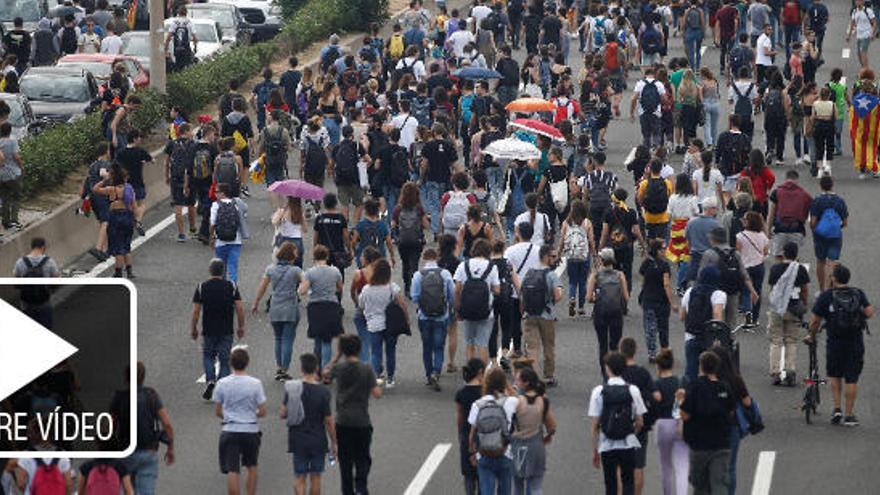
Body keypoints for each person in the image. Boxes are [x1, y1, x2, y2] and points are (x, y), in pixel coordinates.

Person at [807, 264, 873, 427]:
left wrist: (811, 334)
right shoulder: (858, 293)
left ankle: (837, 408)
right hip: (855, 341)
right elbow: (869, 312)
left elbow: (815, 320)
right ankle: (849, 415)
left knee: (835, 375)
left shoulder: (826, 296)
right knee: (852, 378)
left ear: (834, 278)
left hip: (835, 341)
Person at [328, 334, 383, 495]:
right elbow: (377, 393)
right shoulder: (366, 369)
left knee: (345, 461)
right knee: (363, 457)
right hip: (362, 421)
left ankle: (347, 491)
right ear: (359, 349)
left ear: (342, 351)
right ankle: (361, 487)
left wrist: (335, 357)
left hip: (342, 421)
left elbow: (325, 375)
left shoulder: (338, 369)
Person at [588, 351, 647, 495]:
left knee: (611, 484)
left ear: (607, 368)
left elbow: (595, 425)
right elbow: (640, 421)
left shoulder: (599, 391)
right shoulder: (633, 390)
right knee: (628, 482)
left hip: (607, 444)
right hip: (627, 442)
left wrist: (595, 450)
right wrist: (632, 431)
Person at [679, 351, 736, 495]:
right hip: (721, 443)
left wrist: (680, 402)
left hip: (699, 445)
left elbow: (685, 415)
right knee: (719, 483)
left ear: (701, 367)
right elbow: (731, 412)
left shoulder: (694, 387)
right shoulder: (725, 387)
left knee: (699, 484)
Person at [212, 348, 266, 495]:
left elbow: (218, 411)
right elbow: (262, 411)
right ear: (247, 363)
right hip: (250, 430)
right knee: (251, 465)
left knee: (232, 468)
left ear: (230, 363)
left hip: (230, 430)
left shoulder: (222, 383)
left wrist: (230, 416)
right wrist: (251, 413)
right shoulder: (255, 384)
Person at [280, 353, 337, 495]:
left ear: (301, 368)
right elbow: (328, 420)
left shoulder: (292, 388)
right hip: (318, 439)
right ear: (316, 367)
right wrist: (334, 442)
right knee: (316, 476)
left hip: (298, 439)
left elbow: (283, 413)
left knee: (299, 476)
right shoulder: (323, 392)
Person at [192, 258, 245, 400]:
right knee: (224, 358)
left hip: (209, 329)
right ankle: (223, 386)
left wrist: (194, 328)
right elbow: (239, 308)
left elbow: (196, 311)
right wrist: (241, 326)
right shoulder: (231, 286)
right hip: (226, 329)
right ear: (223, 271)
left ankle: (210, 380)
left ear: (210, 271)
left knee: (208, 356)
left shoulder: (202, 287)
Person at [251, 242, 303, 382]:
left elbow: (262, 287)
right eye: (295, 252)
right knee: (287, 340)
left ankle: (279, 367)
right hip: (290, 307)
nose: (297, 255)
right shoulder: (295, 271)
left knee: (278, 339)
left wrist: (256, 303)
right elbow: (305, 283)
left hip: (275, 307)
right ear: (291, 254)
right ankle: (284, 370)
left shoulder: (270, 269)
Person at [765, 241, 810, 385]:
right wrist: (804, 304)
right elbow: (804, 290)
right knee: (791, 340)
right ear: (796, 254)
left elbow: (772, 289)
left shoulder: (775, 269)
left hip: (777, 308)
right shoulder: (801, 269)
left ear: (783, 253)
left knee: (776, 340)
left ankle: (775, 372)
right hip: (794, 307)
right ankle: (790, 369)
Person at [468, 367, 518, 495]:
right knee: (505, 491)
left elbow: (472, 432)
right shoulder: (511, 402)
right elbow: (520, 400)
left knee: (486, 491)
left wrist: (472, 451)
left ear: (486, 383)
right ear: (503, 383)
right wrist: (507, 385)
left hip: (484, 454)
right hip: (505, 453)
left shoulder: (478, 404)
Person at [358, 258, 407, 387]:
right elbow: (402, 304)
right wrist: (406, 318)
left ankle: (375, 377)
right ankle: (390, 379)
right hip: (391, 324)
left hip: (374, 324)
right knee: (390, 351)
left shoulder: (367, 289)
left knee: (375, 352)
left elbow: (361, 305)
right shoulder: (392, 287)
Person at [411, 248, 455, 391]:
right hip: (441, 316)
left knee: (427, 347)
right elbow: (452, 295)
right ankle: (436, 371)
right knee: (439, 346)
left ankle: (429, 375)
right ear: (437, 257)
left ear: (424, 258)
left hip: (424, 316)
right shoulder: (445, 273)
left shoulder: (418, 275)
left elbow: (414, 296)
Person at [521, 244, 563, 387]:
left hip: (529, 314)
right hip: (546, 315)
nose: (555, 259)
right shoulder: (551, 275)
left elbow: (522, 295)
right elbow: (558, 296)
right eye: (552, 256)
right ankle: (548, 376)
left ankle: (532, 377)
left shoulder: (529, 273)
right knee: (548, 346)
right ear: (545, 257)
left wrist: (524, 311)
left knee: (532, 347)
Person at [454, 239, 501, 364]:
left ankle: (471, 375)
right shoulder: (492, 267)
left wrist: (457, 309)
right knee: (483, 344)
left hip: (467, 308)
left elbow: (457, 290)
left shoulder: (463, 265)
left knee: (469, 343)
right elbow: (497, 290)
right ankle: (482, 376)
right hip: (485, 310)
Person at [511, 367, 557, 494]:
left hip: (518, 446)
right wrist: (547, 437)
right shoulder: (543, 401)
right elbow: (552, 426)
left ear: (526, 383)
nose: (516, 384)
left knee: (518, 484)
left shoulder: (517, 402)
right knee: (536, 485)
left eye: (518, 381)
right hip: (537, 445)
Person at [299, 245, 344, 370]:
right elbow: (340, 288)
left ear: (314, 257)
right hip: (331, 305)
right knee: (327, 340)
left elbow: (303, 291)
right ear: (327, 256)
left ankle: (316, 369)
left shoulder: (310, 272)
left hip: (315, 306)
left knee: (317, 339)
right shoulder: (335, 271)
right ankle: (326, 370)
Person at [588, 248, 630, 378]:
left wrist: (597, 297)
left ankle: (605, 372)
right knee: (614, 344)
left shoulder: (595, 275)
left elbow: (589, 298)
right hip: (616, 312)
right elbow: (626, 297)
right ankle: (615, 370)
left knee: (603, 344)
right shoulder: (620, 275)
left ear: (601, 260)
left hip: (600, 312)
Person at [680, 266, 727, 380]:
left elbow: (682, 316)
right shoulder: (719, 294)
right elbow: (717, 315)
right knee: (711, 373)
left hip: (691, 336)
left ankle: (689, 394)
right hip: (709, 339)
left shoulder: (690, 291)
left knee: (690, 371)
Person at [91, 161, 136, 278]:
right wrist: (135, 220)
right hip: (128, 216)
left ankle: (118, 272)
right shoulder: (129, 188)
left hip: (116, 218)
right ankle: (130, 271)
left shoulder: (111, 189)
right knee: (126, 246)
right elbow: (134, 206)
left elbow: (95, 189)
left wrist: (105, 180)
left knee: (117, 247)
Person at [653, 349, 689, 495]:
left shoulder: (656, 384)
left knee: (666, 466)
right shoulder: (682, 382)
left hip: (662, 424)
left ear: (658, 366)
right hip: (680, 424)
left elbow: (654, 405)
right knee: (682, 466)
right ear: (673, 364)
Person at [640, 239, 678, 362]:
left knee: (650, 328)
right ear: (657, 251)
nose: (665, 251)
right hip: (662, 301)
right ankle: (664, 350)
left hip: (648, 300)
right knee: (663, 327)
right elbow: (666, 285)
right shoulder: (664, 265)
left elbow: (643, 279)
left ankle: (652, 353)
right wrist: (672, 303)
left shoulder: (646, 263)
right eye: (663, 249)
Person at [600, 188, 645, 291]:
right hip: (627, 247)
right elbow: (637, 231)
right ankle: (626, 296)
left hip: (612, 247)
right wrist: (643, 246)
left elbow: (604, 233)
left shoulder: (608, 213)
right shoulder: (631, 212)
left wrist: (600, 248)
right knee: (627, 274)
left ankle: (615, 295)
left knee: (613, 272)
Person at [559, 200, 596, 317]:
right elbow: (591, 241)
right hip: (584, 256)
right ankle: (580, 307)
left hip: (571, 256)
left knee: (572, 281)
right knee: (583, 281)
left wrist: (559, 253)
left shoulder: (566, 223)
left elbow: (561, 241)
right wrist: (594, 254)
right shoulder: (587, 223)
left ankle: (571, 298)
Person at [12, 237, 60, 329]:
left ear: (32, 247)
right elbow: (56, 281)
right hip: (43, 301)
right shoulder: (49, 262)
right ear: (43, 247)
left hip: (26, 303)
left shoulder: (20, 262)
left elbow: (16, 283)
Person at [810, 176, 847, 292]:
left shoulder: (817, 201)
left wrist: (817, 230)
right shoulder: (840, 201)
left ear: (820, 186)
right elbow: (845, 222)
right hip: (835, 236)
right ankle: (829, 289)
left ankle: (822, 289)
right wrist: (836, 227)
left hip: (820, 236)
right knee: (832, 263)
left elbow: (813, 222)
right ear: (832, 185)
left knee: (820, 261)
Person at [455, 358, 485, 495]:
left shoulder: (461, 394)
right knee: (483, 474)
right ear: (480, 373)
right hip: (485, 436)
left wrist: (460, 433)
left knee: (468, 474)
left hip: (467, 435)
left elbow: (460, 417)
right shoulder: (485, 393)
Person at [767, 169, 811, 258]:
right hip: (797, 229)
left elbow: (771, 213)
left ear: (785, 179)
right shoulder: (804, 194)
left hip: (780, 229)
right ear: (797, 180)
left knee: (778, 255)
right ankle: (793, 271)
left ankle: (781, 270)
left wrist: (768, 230)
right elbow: (807, 214)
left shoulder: (777, 192)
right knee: (794, 257)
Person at [164, 122, 197, 243]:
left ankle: (181, 233)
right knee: (191, 204)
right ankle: (193, 229)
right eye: (190, 130)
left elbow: (167, 162)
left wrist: (166, 175)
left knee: (178, 205)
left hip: (175, 177)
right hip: (190, 177)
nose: (192, 133)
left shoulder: (172, 143)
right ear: (186, 131)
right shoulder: (193, 144)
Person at [735, 211, 769, 326]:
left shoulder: (740, 236)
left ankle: (747, 312)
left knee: (746, 291)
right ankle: (755, 318)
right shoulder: (763, 236)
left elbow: (737, 253)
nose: (743, 221)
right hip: (759, 266)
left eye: (745, 219)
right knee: (757, 291)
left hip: (745, 267)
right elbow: (765, 252)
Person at [210, 183, 249, 283]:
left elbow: (212, 223)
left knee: (220, 268)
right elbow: (245, 211)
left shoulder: (216, 205)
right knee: (233, 267)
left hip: (220, 241)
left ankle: (221, 288)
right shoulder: (237, 203)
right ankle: (233, 289)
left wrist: (211, 237)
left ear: (223, 193)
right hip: (235, 241)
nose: (215, 194)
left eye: (216, 192)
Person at [685, 197, 721, 283]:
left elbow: (688, 241)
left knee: (694, 286)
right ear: (710, 209)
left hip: (695, 257)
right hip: (711, 259)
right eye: (715, 208)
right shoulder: (716, 225)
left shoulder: (691, 222)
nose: (717, 210)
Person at [631, 66, 666, 149]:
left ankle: (646, 152)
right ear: (654, 74)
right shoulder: (659, 84)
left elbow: (633, 99)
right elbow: (664, 99)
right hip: (656, 112)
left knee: (646, 134)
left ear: (645, 75)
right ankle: (656, 150)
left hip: (643, 112)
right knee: (656, 133)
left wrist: (631, 112)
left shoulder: (640, 83)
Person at [637, 161, 673, 241]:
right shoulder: (667, 183)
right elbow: (670, 197)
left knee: (651, 238)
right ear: (661, 169)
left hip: (649, 216)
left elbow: (639, 199)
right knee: (661, 239)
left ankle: (651, 251)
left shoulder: (644, 183)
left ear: (650, 169)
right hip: (663, 216)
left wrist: (644, 206)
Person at [0, 121, 22, 230]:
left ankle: (5, 221)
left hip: (1, 175)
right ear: (10, 130)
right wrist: (22, 167)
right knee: (16, 197)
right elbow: (16, 157)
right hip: (13, 174)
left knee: (5, 198)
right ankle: (14, 220)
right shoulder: (12, 142)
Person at [165, 6, 197, 71]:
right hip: (186, 48)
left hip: (177, 48)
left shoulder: (174, 23)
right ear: (186, 13)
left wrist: (166, 48)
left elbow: (169, 36)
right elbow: (194, 37)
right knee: (186, 66)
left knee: (178, 65)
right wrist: (195, 47)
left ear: (178, 13)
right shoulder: (189, 23)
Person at [847, 0, 877, 69]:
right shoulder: (854, 11)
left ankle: (866, 70)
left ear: (863, 2)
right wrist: (849, 35)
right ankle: (864, 68)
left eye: (860, 1)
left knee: (863, 53)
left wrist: (872, 33)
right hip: (859, 35)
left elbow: (874, 23)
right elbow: (852, 23)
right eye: (856, 1)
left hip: (866, 34)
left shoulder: (868, 11)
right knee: (858, 54)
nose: (858, 2)